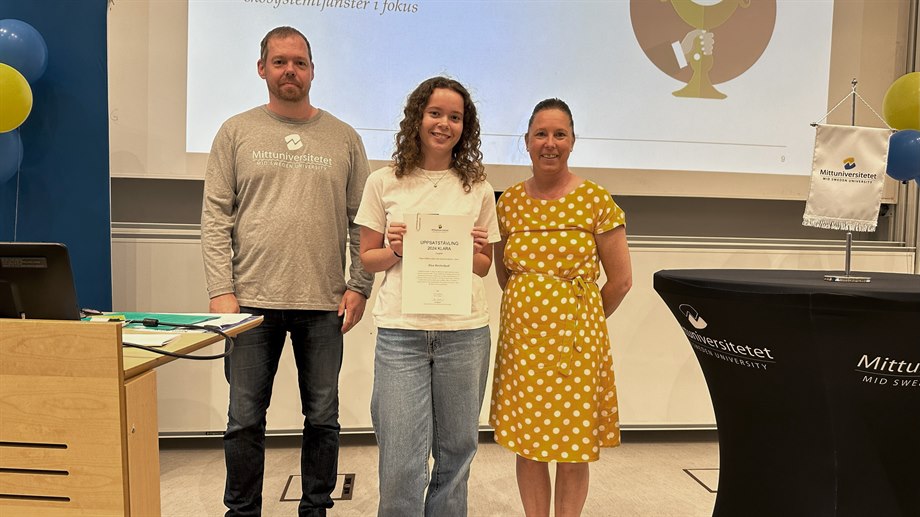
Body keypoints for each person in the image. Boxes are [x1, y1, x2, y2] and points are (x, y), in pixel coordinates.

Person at [200, 26, 373, 517]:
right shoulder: (235, 132)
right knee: (243, 420)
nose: (290, 70)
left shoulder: (344, 138)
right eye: (279, 62)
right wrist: (220, 289)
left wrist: (359, 285)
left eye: (299, 62)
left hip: (323, 304)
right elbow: (216, 216)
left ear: (312, 70)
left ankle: (316, 508)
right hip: (250, 303)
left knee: (323, 419)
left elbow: (363, 222)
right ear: (262, 69)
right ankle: (242, 511)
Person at [354, 76, 500, 517]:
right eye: (435, 113)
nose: (444, 124)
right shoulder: (384, 182)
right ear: (417, 118)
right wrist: (396, 248)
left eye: (455, 117)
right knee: (401, 459)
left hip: (464, 333)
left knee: (457, 453)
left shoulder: (478, 186)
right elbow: (367, 259)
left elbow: (484, 266)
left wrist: (471, 248)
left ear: (465, 126)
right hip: (402, 335)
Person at [489, 98, 633, 517]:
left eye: (559, 134)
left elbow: (621, 280)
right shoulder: (509, 202)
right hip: (524, 346)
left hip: (576, 346)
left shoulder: (596, 200)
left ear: (572, 142)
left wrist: (580, 320)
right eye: (541, 134)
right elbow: (505, 275)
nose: (549, 143)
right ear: (526, 142)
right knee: (528, 442)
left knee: (572, 446)